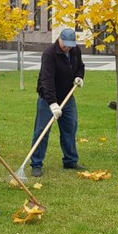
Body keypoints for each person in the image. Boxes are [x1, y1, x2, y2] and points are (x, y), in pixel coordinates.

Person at [29, 28, 86, 177]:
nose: (67, 47)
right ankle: (36, 163)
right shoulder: (49, 54)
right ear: (59, 39)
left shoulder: (75, 51)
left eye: (70, 45)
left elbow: (80, 66)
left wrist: (79, 77)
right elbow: (46, 80)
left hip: (67, 97)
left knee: (70, 128)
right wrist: (52, 103)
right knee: (42, 131)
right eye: (65, 44)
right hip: (47, 98)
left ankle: (70, 160)